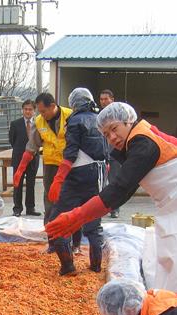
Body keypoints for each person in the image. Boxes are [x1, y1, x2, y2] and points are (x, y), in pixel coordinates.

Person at [46, 102, 177, 306]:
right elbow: (121, 189)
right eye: (106, 134)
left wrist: (78, 215)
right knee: (174, 258)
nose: (112, 137)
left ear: (128, 121)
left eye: (114, 129)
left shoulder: (142, 142)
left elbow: (120, 190)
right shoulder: (135, 142)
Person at [47, 88, 107, 275]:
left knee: (57, 221)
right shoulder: (100, 119)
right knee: (93, 222)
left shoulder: (74, 120)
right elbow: (106, 152)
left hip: (77, 175)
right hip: (98, 174)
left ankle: (68, 266)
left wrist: (58, 179)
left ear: (73, 103)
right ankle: (96, 267)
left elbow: (71, 153)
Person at [13, 93, 78, 253]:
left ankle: (75, 244)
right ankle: (53, 242)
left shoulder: (71, 116)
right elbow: (31, 147)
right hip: (50, 166)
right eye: (39, 111)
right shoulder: (39, 121)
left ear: (52, 106)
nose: (41, 114)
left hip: (71, 165)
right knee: (50, 203)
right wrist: (20, 169)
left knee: (72, 202)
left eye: (43, 111)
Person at [8, 100, 41, 217]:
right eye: (25, 109)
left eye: (30, 109)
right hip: (18, 158)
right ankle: (17, 208)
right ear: (22, 110)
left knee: (31, 183)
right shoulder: (15, 124)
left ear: (34, 110)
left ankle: (30, 208)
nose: (28, 111)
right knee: (18, 183)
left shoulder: (39, 123)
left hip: (33, 158)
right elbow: (12, 141)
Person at [99, 89, 121, 219]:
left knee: (115, 182)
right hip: (101, 155)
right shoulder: (98, 116)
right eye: (101, 99)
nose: (103, 102)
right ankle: (101, 209)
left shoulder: (118, 114)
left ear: (112, 99)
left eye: (106, 99)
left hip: (114, 154)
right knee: (101, 184)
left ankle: (115, 208)